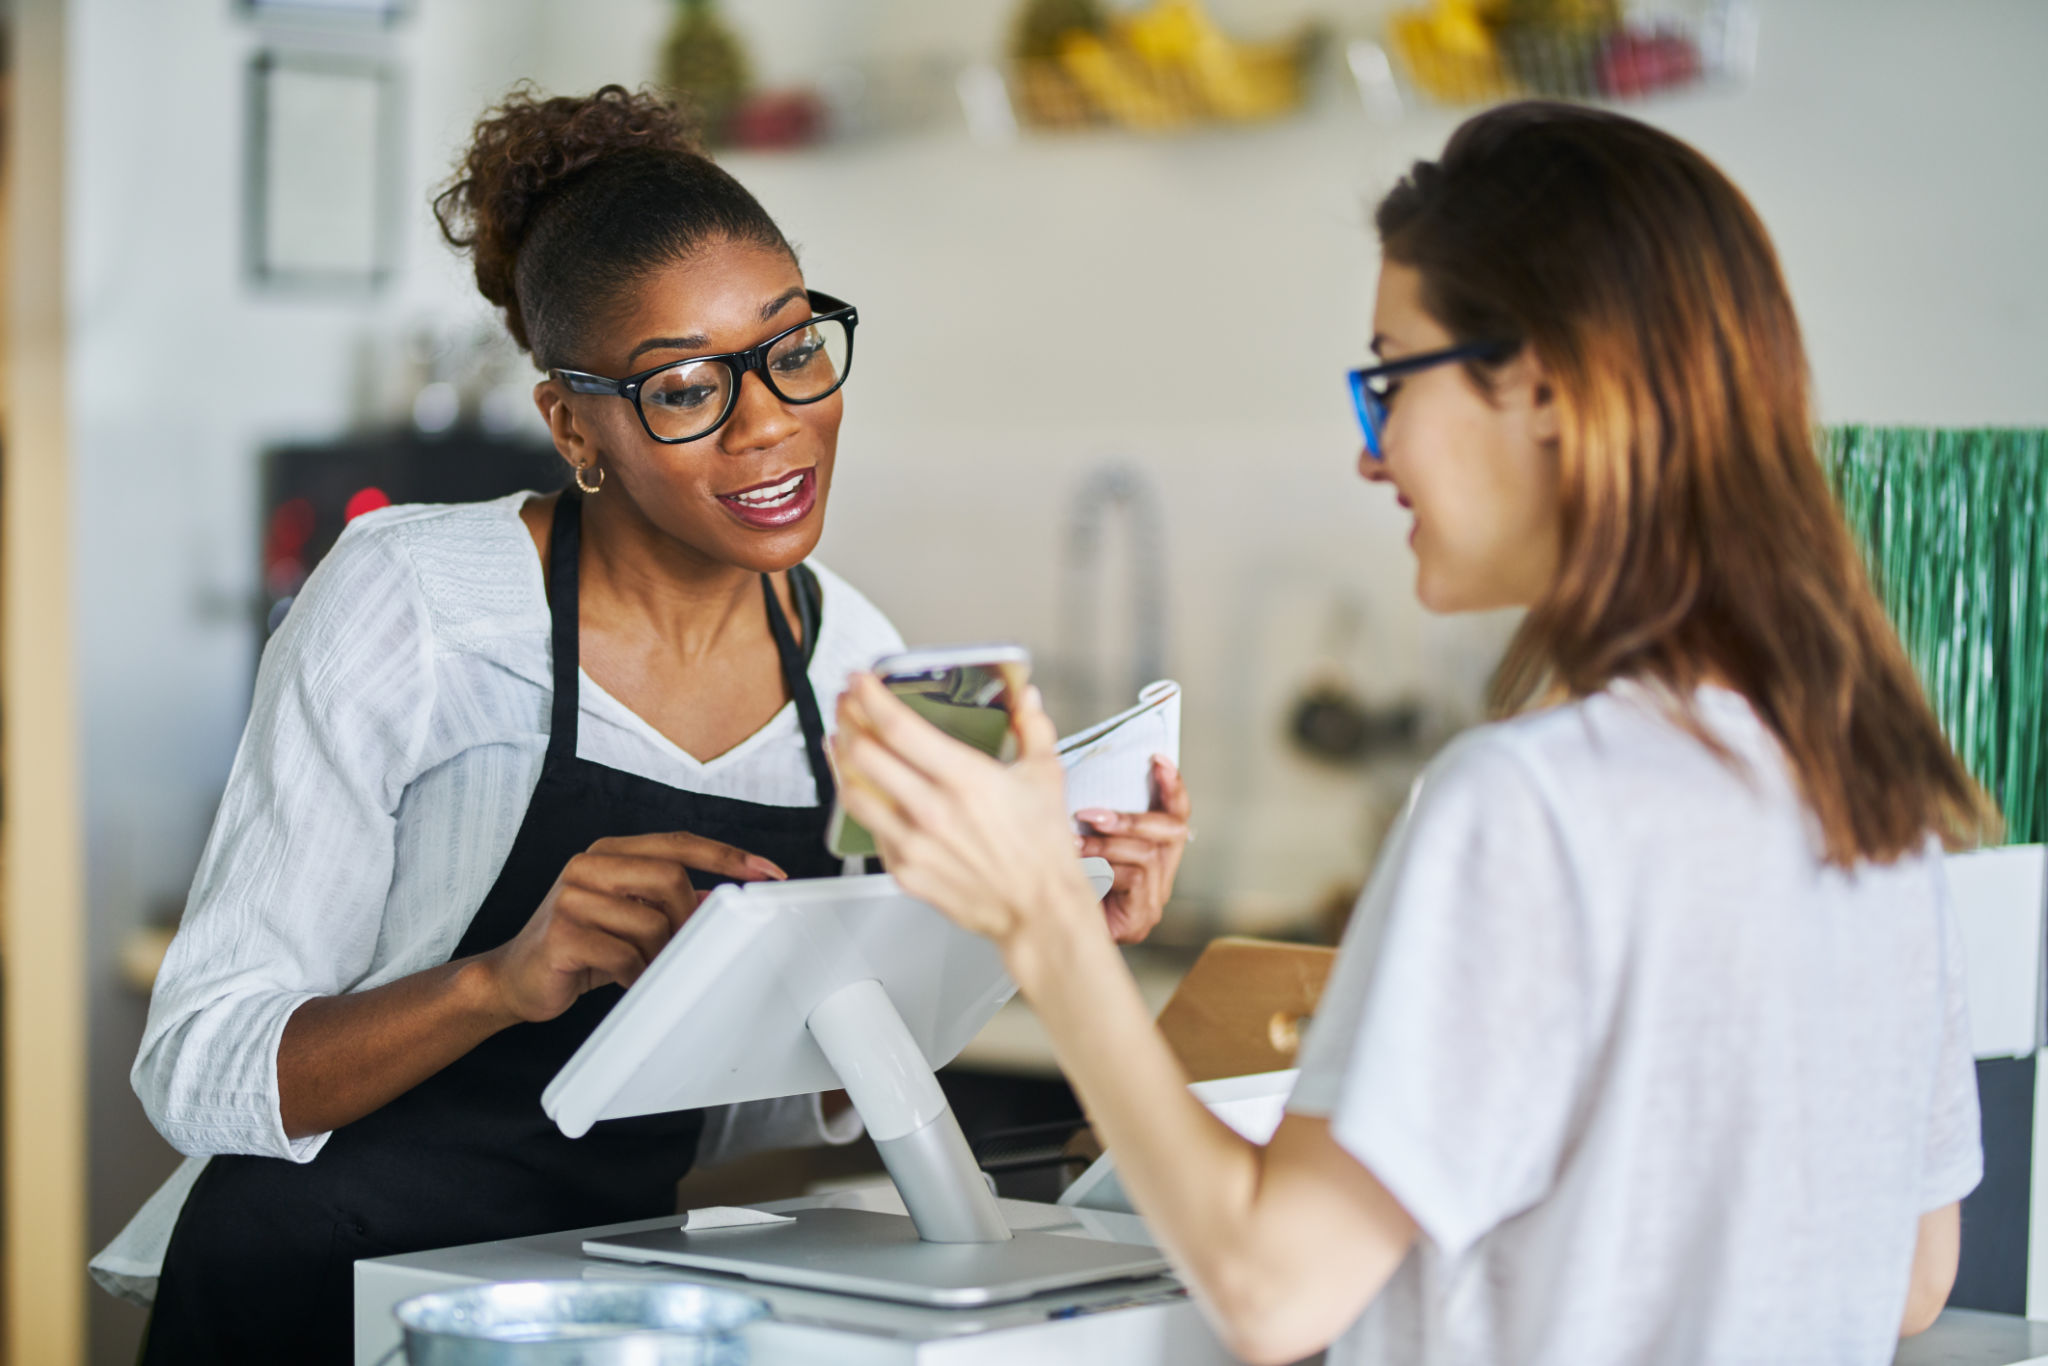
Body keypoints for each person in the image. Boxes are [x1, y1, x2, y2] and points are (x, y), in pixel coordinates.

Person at [833, 102, 1987, 1366]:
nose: (1367, 454)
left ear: (1542, 383)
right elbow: (1912, 1276)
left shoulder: (1530, 800)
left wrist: (1039, 917)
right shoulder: (1858, 778)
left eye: (1389, 376)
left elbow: (1272, 1293)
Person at [93, 85, 1190, 1364]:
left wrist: (1043, 924)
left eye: (791, 350)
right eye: (682, 388)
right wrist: (500, 980)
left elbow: (787, 1077)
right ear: (574, 426)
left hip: (588, 1300)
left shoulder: (856, 656)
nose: (770, 422)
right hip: (315, 1287)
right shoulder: (418, 600)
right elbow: (198, 1065)